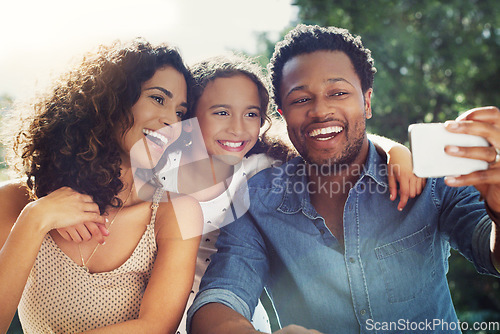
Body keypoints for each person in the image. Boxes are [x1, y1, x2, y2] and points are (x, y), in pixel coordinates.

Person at [55, 52, 423, 333]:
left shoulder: (260, 169)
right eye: (220, 112)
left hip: (230, 319)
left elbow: (334, 141)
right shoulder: (155, 165)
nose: (238, 128)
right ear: (188, 114)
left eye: (251, 114)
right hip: (147, 316)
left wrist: (395, 151)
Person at [187, 24, 500, 334]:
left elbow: (490, 253)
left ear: (366, 101)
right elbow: (220, 298)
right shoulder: (255, 200)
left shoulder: (428, 179)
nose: (321, 111)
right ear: (282, 114)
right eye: (300, 100)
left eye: (337, 93)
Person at [0, 39, 202, 334]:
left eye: (180, 113)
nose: (171, 121)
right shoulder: (16, 201)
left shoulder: (175, 212)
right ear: (110, 98)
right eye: (158, 99)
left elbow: (155, 327)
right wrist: (36, 218)